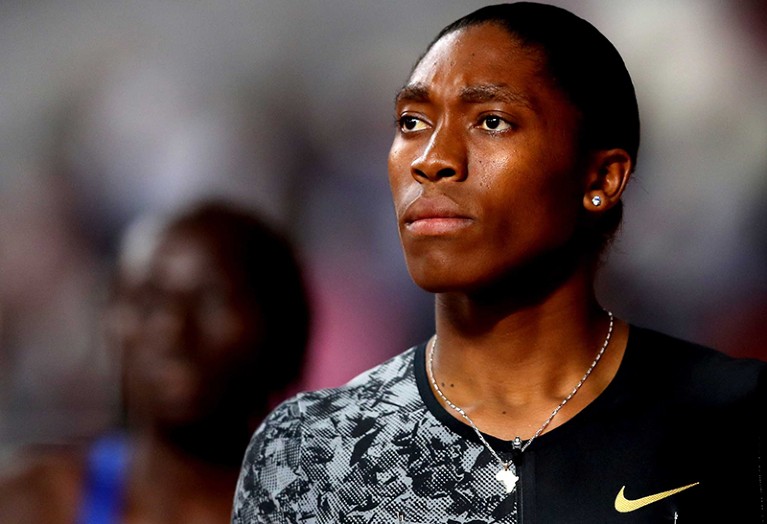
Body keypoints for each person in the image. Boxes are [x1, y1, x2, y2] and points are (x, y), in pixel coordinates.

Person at [232, 3, 766, 523]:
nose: (431, 159)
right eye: (412, 121)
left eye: (491, 121)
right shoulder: (307, 452)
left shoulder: (737, 424)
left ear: (601, 180)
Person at [0, 200, 311, 523]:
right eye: (147, 301)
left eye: (212, 301)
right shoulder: (34, 505)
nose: (172, 328)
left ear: (279, 324)